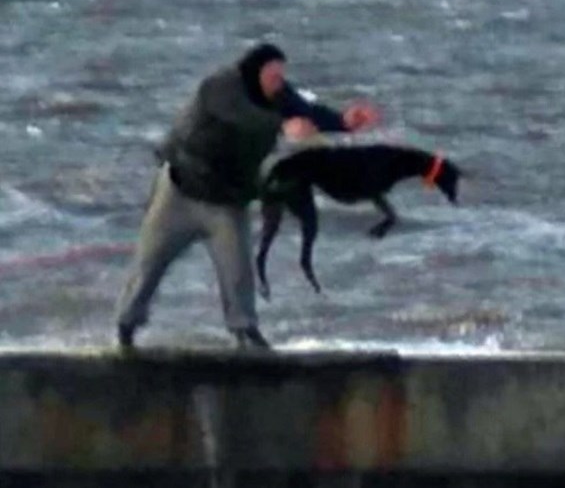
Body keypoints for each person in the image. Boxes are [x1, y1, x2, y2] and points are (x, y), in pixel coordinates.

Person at [114, 43, 379, 349]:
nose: (279, 84)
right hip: (178, 192)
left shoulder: (278, 95)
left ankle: (245, 332)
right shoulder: (220, 87)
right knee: (149, 263)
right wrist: (282, 125)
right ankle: (126, 327)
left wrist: (343, 122)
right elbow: (240, 116)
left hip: (227, 202)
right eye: (273, 76)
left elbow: (306, 114)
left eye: (282, 77)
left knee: (238, 270)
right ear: (255, 72)